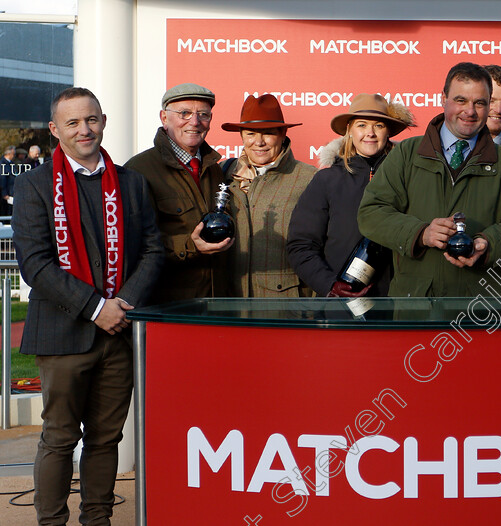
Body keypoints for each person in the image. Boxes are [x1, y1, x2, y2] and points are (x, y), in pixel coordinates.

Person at [12, 87, 163, 525]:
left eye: (91, 120)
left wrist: (125, 302)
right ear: (55, 129)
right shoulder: (34, 185)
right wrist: (97, 307)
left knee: (106, 437)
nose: (84, 129)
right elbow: (35, 263)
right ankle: (51, 521)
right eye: (73, 122)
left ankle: (97, 519)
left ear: (102, 121)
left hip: (120, 332)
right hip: (63, 333)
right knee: (59, 437)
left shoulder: (132, 183)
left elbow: (153, 251)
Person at [357, 62, 501, 297]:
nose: (470, 111)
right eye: (461, 100)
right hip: (418, 309)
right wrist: (420, 233)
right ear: (443, 98)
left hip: (481, 309)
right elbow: (371, 212)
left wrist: (488, 245)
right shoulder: (406, 154)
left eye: (480, 103)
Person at [287, 93, 414, 297]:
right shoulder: (326, 180)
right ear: (349, 130)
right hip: (341, 309)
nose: (370, 133)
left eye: (379, 126)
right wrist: (329, 285)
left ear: (388, 131)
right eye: (362, 125)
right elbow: (301, 245)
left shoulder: (409, 178)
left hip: (398, 307)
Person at [125, 83, 231, 303]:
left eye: (203, 114)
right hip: (170, 306)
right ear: (164, 118)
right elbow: (132, 244)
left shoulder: (215, 170)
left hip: (218, 304)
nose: (195, 122)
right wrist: (192, 245)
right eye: (184, 113)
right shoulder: (138, 170)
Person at [220, 94, 317, 297]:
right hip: (228, 306)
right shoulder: (222, 173)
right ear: (241, 136)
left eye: (268, 133)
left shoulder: (310, 178)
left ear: (283, 134)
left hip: (285, 307)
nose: (259, 142)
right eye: (251, 134)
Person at [0, 146, 15, 216]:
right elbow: (2, 179)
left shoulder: (11, 163)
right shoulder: (2, 163)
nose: (14, 155)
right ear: (9, 153)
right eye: (13, 154)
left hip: (12, 192)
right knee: (5, 212)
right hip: (6, 194)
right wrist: (4, 193)